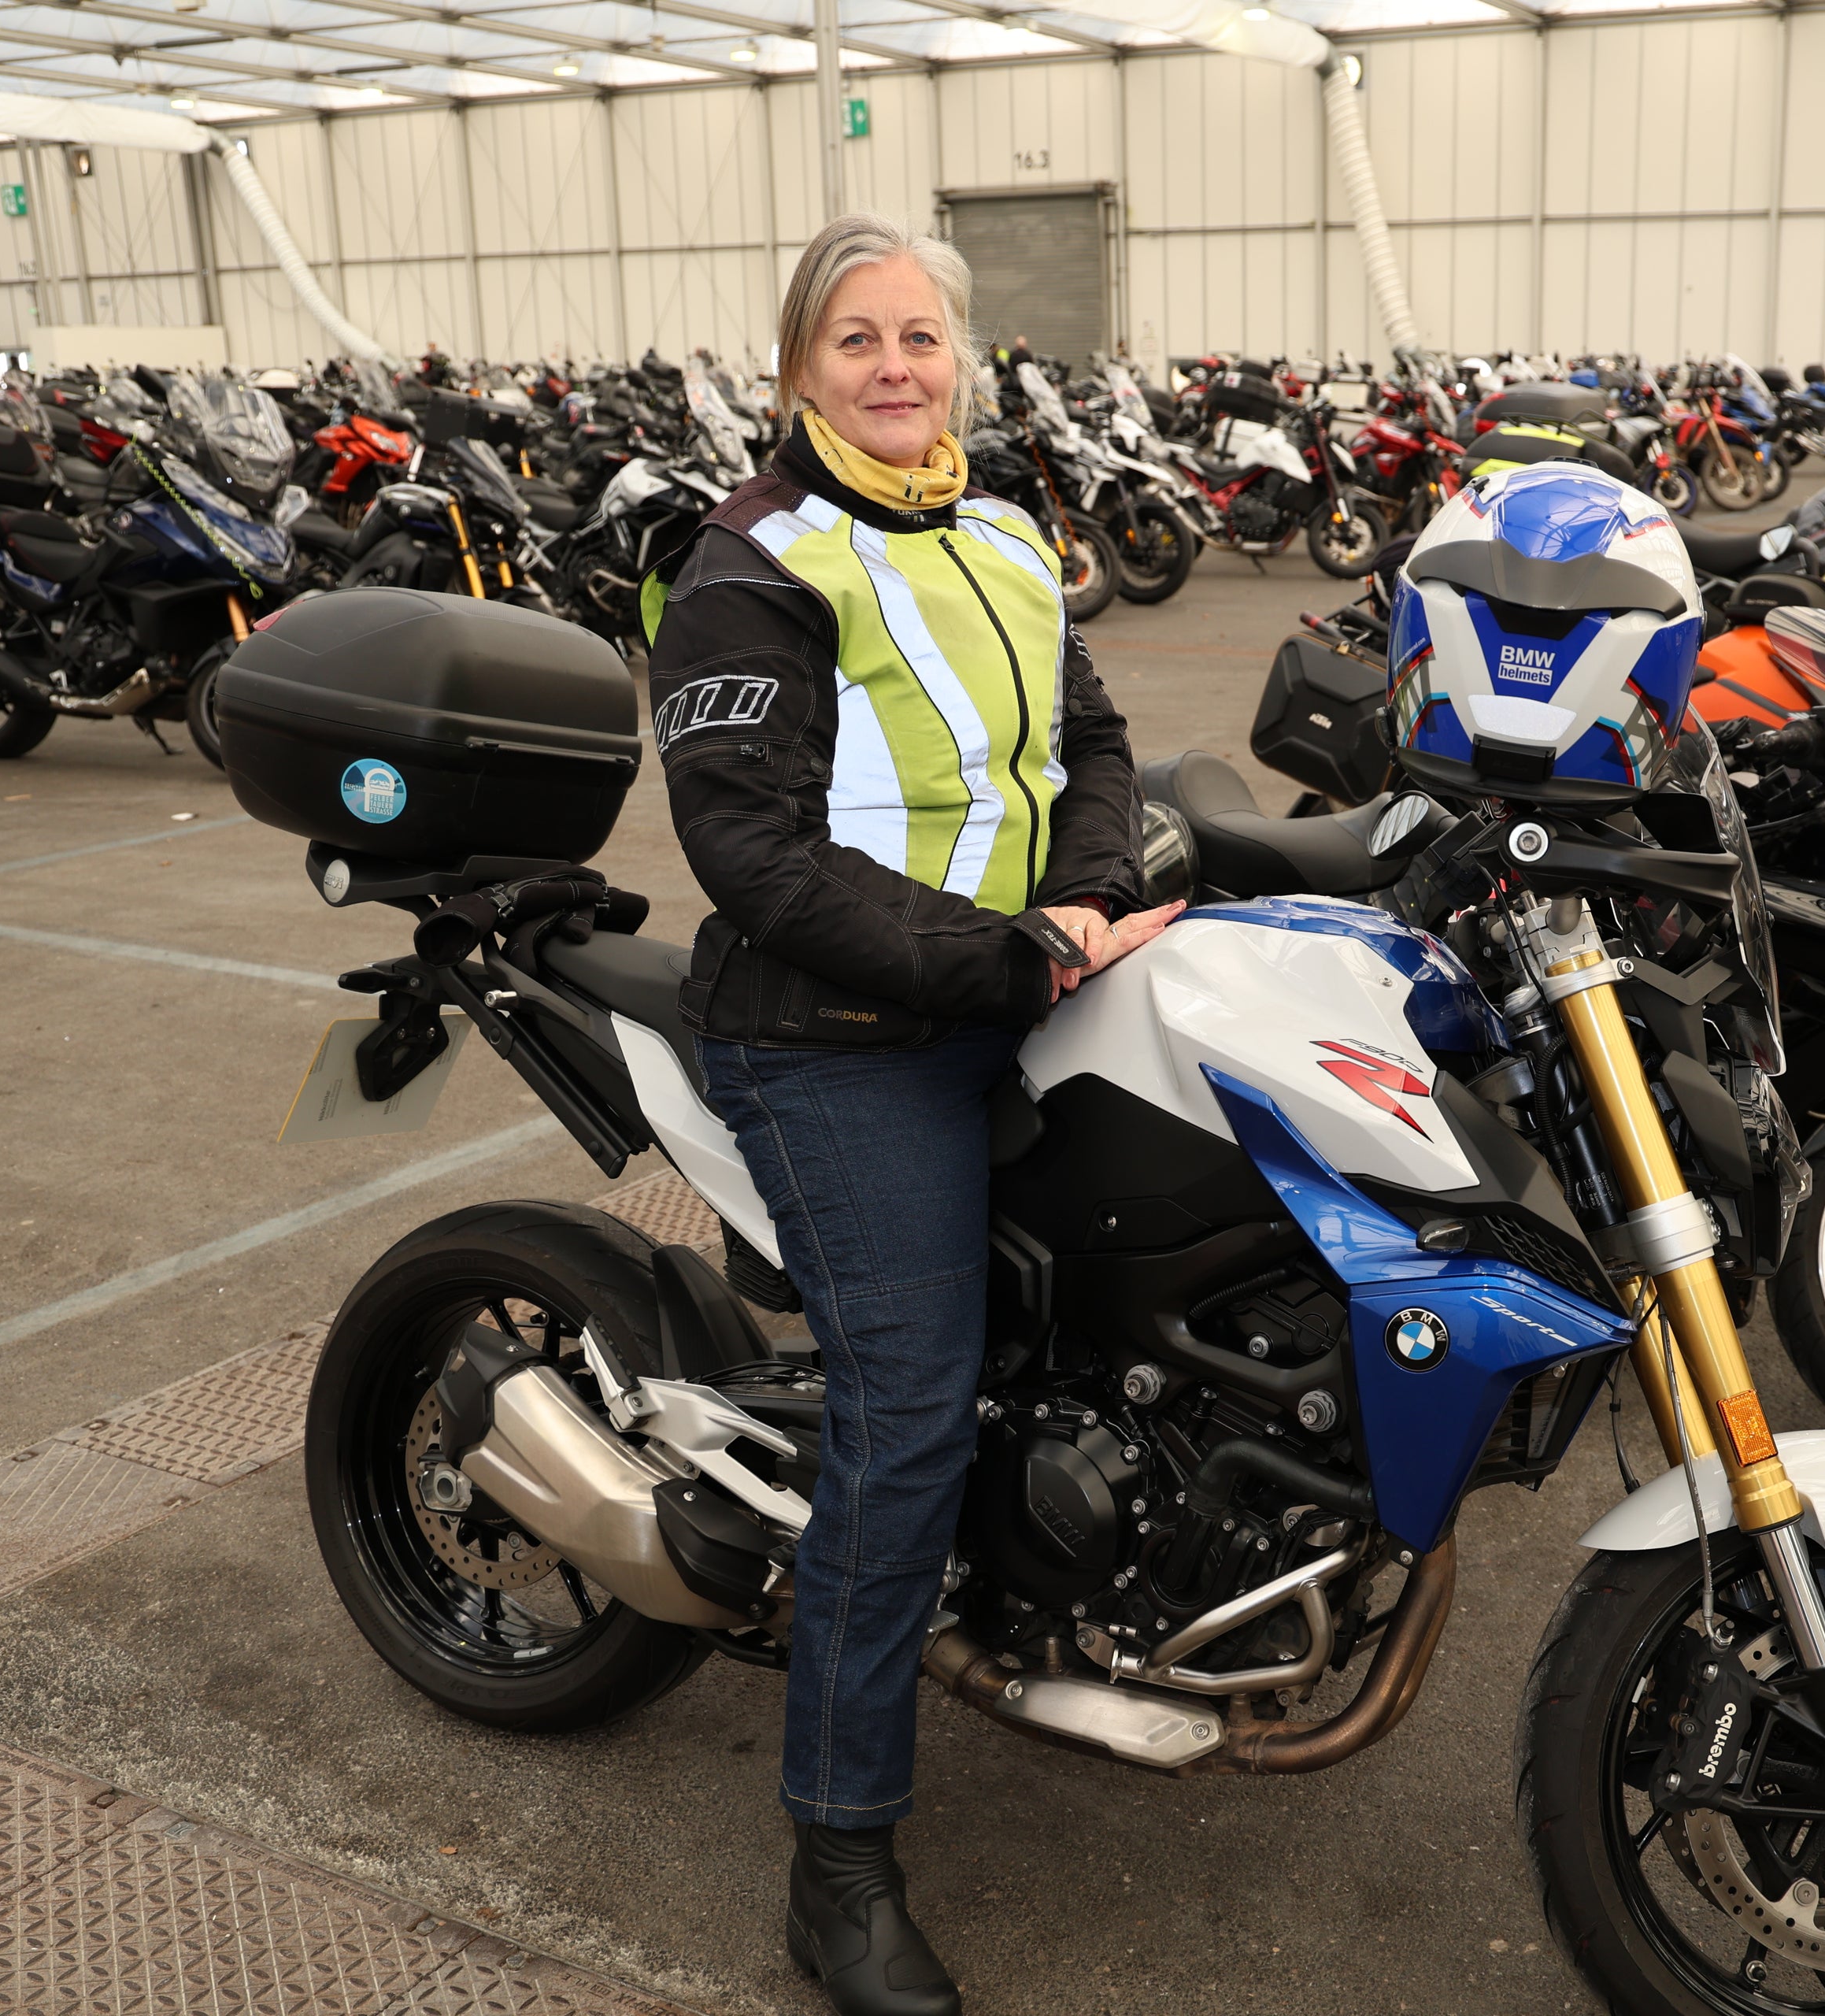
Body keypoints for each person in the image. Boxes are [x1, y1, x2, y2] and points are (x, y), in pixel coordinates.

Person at [642, 213, 1179, 2016]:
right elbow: (751, 849)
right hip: (836, 1035)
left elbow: (1088, 745)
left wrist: (1086, 905)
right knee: (912, 1404)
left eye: (922, 337)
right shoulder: (751, 562)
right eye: (856, 339)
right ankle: (839, 1854)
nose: (894, 366)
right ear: (799, 368)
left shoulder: (1010, 531)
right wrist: (1010, 959)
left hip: (1018, 987)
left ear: (964, 358)